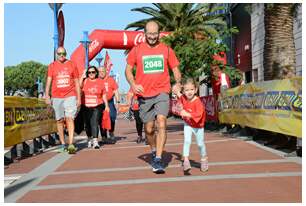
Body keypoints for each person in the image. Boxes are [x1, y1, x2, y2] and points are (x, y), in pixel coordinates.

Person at [125, 20, 181, 173]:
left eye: (155, 33)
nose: (152, 37)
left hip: (162, 91)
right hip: (144, 94)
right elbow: (128, 70)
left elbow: (175, 69)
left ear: (159, 33)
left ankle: (158, 158)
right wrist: (133, 84)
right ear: (144, 34)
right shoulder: (136, 50)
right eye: (149, 34)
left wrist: (177, 83)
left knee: (161, 122)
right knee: (149, 129)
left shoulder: (167, 50)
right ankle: (153, 150)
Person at [45, 47, 81, 154]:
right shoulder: (52, 66)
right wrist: (47, 95)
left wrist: (78, 98)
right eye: (59, 53)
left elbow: (77, 82)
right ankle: (62, 143)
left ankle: (70, 144)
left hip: (70, 95)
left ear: (66, 53)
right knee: (59, 120)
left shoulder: (72, 64)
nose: (61, 55)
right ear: (56, 54)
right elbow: (49, 81)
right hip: (56, 96)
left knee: (70, 118)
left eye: (63, 53)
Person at [172, 78, 208, 173]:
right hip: (188, 124)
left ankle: (204, 159)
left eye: (191, 89)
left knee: (200, 144)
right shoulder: (183, 97)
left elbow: (199, 115)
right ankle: (186, 160)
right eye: (187, 90)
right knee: (187, 141)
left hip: (198, 125)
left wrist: (186, 114)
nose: (189, 92)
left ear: (196, 90)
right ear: (184, 91)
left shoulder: (198, 102)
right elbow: (179, 98)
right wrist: (176, 90)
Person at [80, 65, 110, 149]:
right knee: (87, 125)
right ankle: (89, 138)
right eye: (89, 72)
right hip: (86, 106)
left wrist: (107, 105)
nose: (91, 74)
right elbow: (79, 87)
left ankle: (95, 142)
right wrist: (82, 77)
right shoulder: (85, 81)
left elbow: (104, 95)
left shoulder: (100, 82)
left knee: (94, 122)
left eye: (93, 72)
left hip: (97, 105)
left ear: (96, 73)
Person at [98, 67, 120, 143]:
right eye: (99, 71)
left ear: (106, 71)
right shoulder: (96, 80)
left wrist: (118, 102)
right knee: (101, 119)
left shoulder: (111, 80)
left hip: (110, 102)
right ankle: (104, 136)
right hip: (100, 103)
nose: (101, 72)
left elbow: (116, 91)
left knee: (112, 117)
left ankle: (111, 132)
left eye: (102, 71)